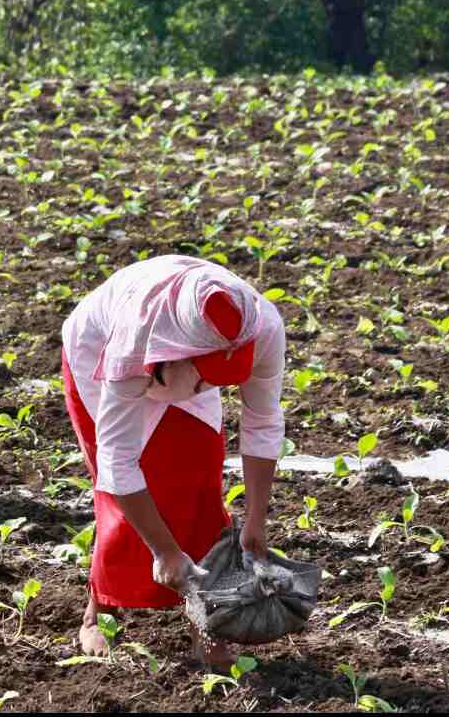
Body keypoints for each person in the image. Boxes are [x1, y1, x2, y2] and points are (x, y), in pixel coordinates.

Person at [60, 254, 285, 669]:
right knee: (126, 494)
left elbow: (263, 422)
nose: (212, 387)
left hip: (179, 362)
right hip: (98, 355)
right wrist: (164, 552)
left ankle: (205, 625)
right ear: (175, 356)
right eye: (206, 377)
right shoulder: (129, 347)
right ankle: (99, 610)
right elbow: (117, 462)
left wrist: (256, 519)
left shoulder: (259, 326)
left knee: (198, 480)